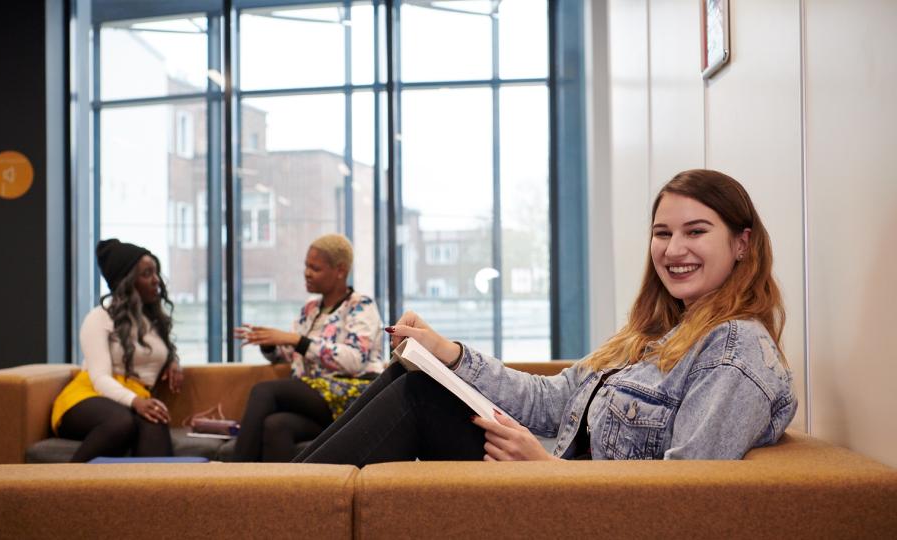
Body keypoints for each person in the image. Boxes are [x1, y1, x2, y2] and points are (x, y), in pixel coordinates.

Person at [295, 169, 798, 465]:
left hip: (568, 503)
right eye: (663, 233)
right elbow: (550, 400)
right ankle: (276, 491)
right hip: (549, 479)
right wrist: (448, 353)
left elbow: (686, 497)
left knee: (417, 397)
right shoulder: (658, 333)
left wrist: (545, 472)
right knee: (416, 374)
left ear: (741, 243)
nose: (674, 249)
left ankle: (274, 499)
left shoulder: (735, 348)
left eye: (696, 231)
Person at [232, 233, 384, 462]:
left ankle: (230, 477)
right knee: (276, 426)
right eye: (306, 266)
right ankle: (280, 496)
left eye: (315, 268)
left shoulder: (361, 305)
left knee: (264, 391)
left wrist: (296, 340)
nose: (307, 273)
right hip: (318, 401)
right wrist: (271, 344)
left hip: (352, 395)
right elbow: (296, 352)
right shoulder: (310, 308)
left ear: (340, 270)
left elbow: (355, 359)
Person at [50, 239, 183, 462]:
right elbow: (100, 378)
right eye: (147, 274)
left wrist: (173, 360)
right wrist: (135, 402)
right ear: (128, 281)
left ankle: (151, 496)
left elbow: (157, 353)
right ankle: (64, 489)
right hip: (87, 397)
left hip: (135, 397)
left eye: (156, 272)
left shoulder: (152, 320)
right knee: (122, 422)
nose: (156, 281)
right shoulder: (99, 317)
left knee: (155, 421)